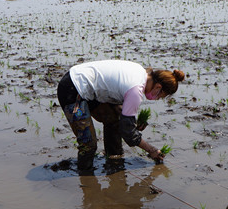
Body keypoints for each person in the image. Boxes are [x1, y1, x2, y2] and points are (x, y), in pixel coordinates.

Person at [57, 59, 185, 173]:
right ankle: (85, 177)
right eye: (161, 96)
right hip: (72, 90)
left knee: (115, 117)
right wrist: (151, 150)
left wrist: (133, 123)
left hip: (83, 82)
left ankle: (114, 158)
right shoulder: (136, 90)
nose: (158, 98)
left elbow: (122, 113)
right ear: (158, 87)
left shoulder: (139, 72)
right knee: (88, 143)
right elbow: (128, 133)